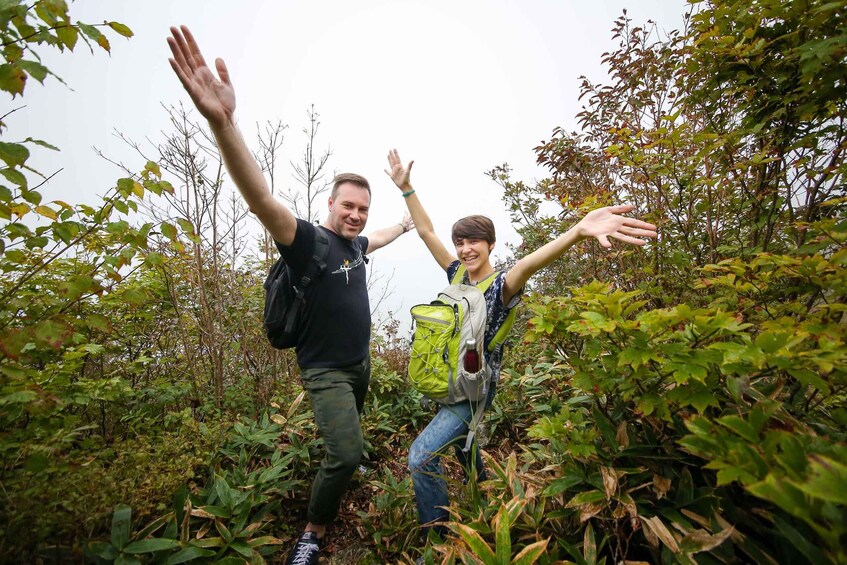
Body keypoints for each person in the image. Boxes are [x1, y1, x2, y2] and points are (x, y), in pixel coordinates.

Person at [167, 26, 415, 565]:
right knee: (344, 453)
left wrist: (406, 220)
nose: (355, 215)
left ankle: (349, 463)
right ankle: (313, 530)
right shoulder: (306, 242)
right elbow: (258, 197)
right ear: (329, 203)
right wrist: (223, 123)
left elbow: (384, 235)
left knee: (354, 430)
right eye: (348, 206)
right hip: (324, 369)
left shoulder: (355, 246)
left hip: (360, 364)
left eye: (362, 209)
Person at [384, 148, 658, 538]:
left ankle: (438, 539)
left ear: (491, 244)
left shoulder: (502, 286)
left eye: (474, 241)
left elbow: (533, 262)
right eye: (460, 242)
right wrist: (407, 189)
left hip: (475, 391)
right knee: (464, 447)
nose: (465, 249)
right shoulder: (457, 274)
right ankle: (486, 497)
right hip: (452, 380)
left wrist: (578, 230)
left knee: (420, 457)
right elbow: (427, 232)